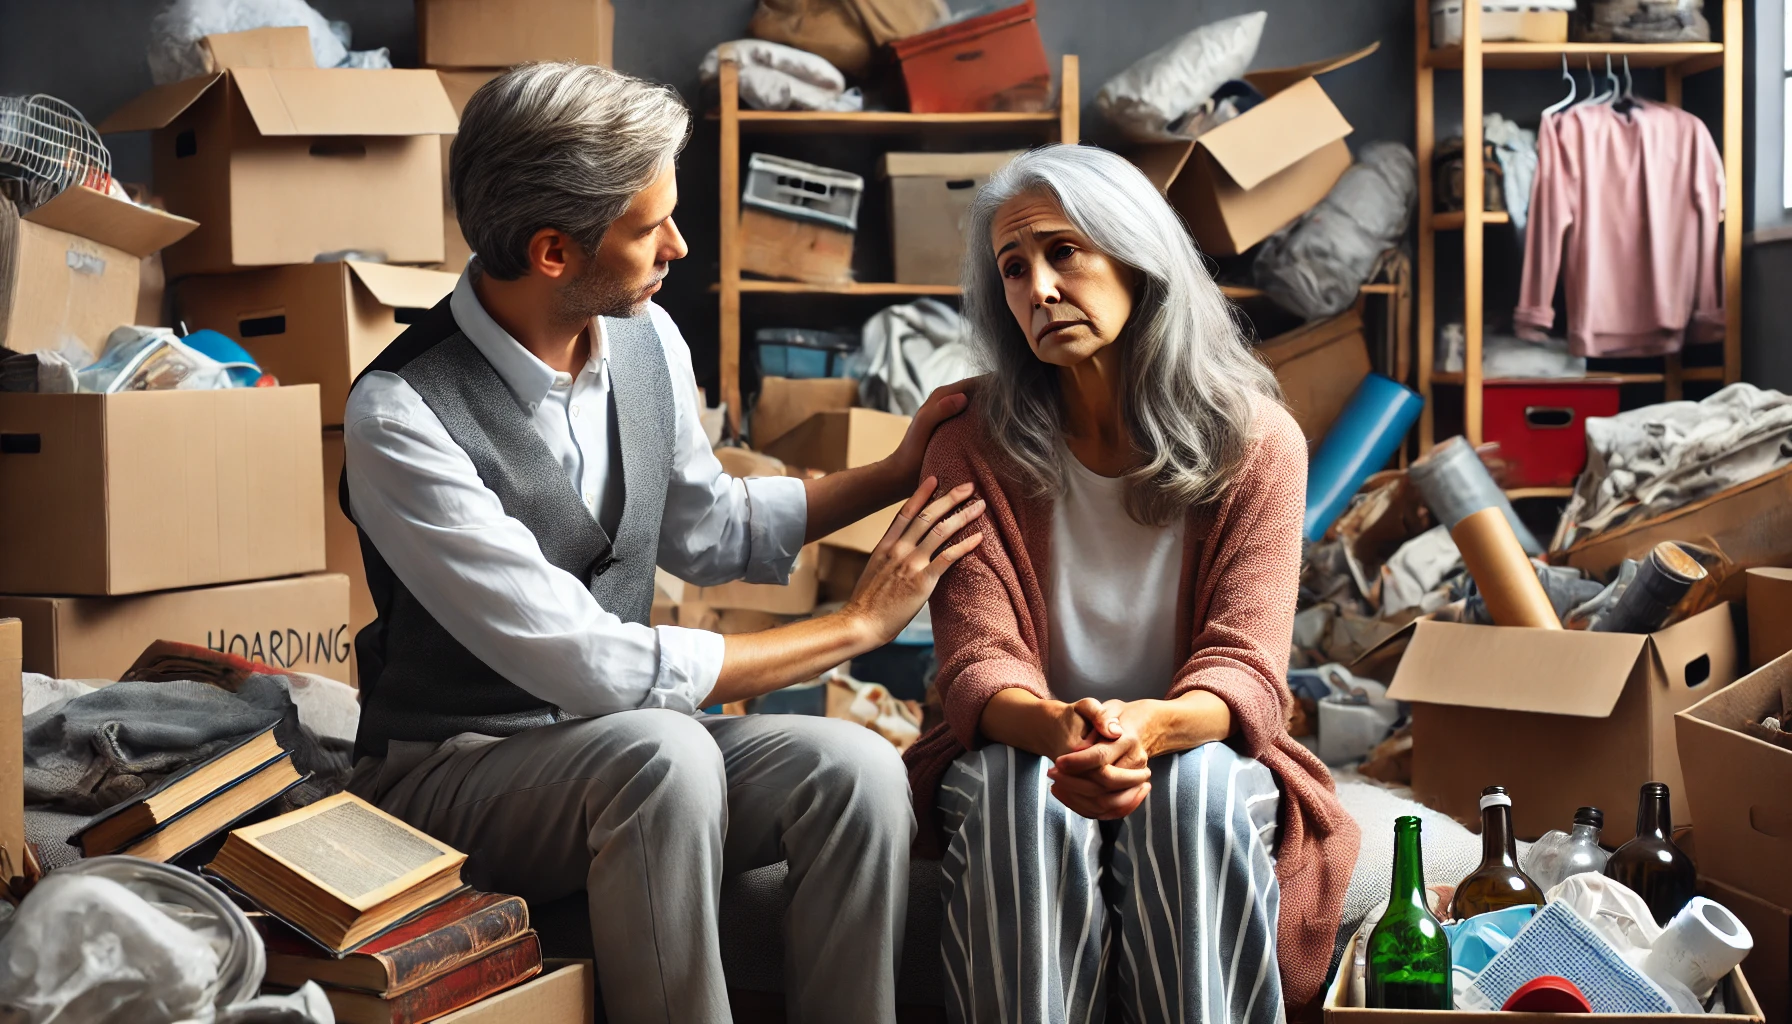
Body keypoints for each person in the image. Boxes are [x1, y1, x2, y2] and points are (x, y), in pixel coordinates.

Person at [339, 62, 985, 1024]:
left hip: (624, 746)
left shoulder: (645, 338)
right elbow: (592, 661)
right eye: (651, 228)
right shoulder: (398, 414)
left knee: (857, 770)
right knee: (663, 754)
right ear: (554, 250)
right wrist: (853, 626)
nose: (680, 245)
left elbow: (711, 526)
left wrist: (897, 471)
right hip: (453, 773)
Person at [902, 145, 1359, 1024]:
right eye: (1012, 268)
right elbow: (975, 664)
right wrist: (1065, 731)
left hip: (1193, 744)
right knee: (1013, 792)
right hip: (1030, 745)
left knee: (1195, 793)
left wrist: (1149, 729)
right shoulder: (970, 445)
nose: (1037, 287)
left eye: (1063, 251)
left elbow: (1249, 668)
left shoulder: (1258, 442)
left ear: (1134, 253)